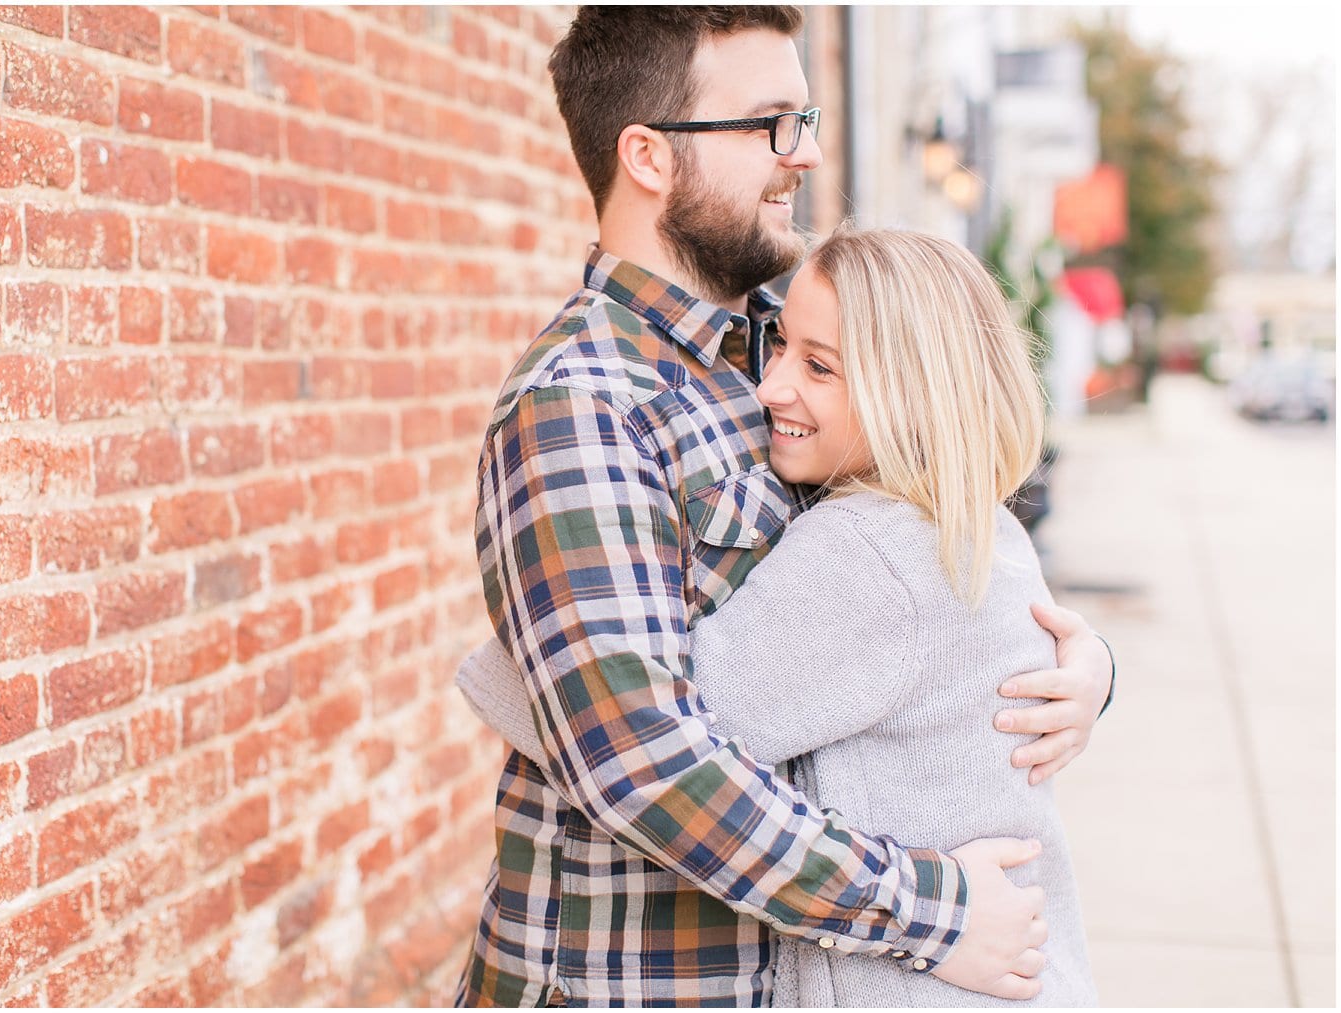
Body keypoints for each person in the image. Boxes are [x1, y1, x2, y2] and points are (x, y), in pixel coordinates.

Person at [454, 7, 1114, 1007]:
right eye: (768, 124)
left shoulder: (789, 331)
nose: (802, 155)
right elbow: (639, 760)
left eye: (803, 119)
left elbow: (929, 542)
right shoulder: (581, 403)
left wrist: (1076, 664)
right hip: (632, 979)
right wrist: (929, 912)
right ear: (647, 155)